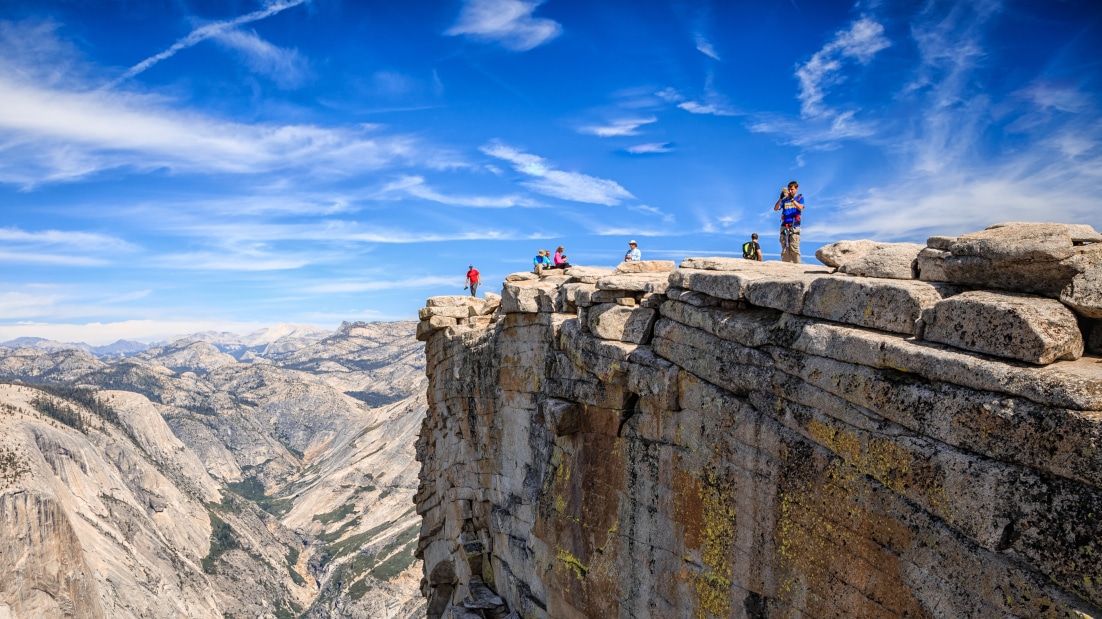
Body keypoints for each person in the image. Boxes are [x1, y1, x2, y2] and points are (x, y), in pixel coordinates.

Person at [773, 181, 804, 263]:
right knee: (785, 249)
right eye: (789, 189)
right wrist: (780, 198)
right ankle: (786, 266)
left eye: (792, 189)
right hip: (784, 226)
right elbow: (776, 208)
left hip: (794, 226)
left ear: (797, 189)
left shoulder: (799, 198)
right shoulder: (784, 200)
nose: (790, 191)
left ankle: (797, 267)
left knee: (794, 248)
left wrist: (792, 200)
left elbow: (800, 208)